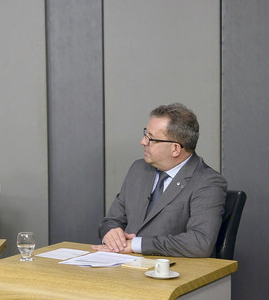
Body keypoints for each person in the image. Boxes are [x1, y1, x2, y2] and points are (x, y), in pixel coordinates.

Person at [95, 103, 227, 258]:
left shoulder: (208, 182)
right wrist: (111, 234)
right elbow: (111, 220)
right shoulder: (139, 169)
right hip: (124, 265)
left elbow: (200, 242)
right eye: (145, 134)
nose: (143, 141)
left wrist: (136, 245)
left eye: (151, 138)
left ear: (175, 149)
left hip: (172, 269)